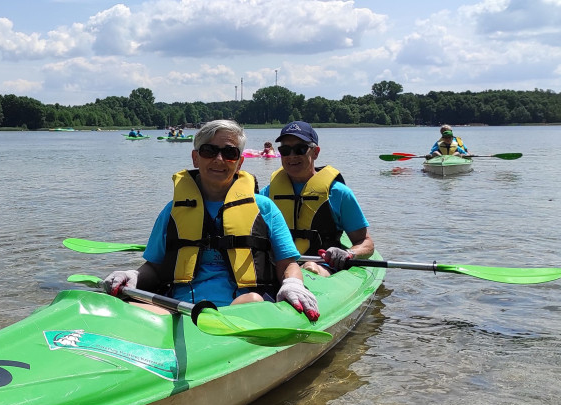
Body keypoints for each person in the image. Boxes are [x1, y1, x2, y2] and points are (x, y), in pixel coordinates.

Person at [103, 119, 319, 320]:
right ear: (195, 158)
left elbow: (287, 263)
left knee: (250, 300)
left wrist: (292, 283)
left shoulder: (264, 208)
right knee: (123, 308)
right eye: (209, 151)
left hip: (244, 307)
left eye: (229, 153)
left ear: (240, 162)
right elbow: (155, 267)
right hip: (179, 310)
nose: (219, 159)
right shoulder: (172, 211)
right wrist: (133, 275)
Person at [263, 121, 374, 277]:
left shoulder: (339, 193)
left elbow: (366, 243)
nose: (292, 156)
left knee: (310, 267)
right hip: (281, 264)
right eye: (285, 150)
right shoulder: (267, 194)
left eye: (300, 149)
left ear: (315, 152)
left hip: (321, 265)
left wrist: (349, 253)